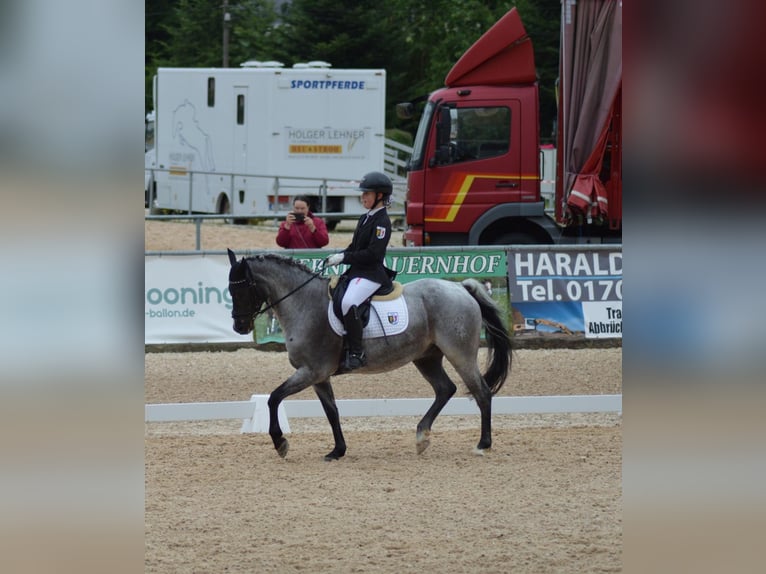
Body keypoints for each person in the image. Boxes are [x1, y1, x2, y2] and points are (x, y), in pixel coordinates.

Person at [325, 171, 394, 371]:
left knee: (349, 302)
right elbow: (355, 246)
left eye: (367, 194)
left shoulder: (382, 222)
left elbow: (373, 254)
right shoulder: (365, 217)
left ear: (380, 196)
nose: (362, 197)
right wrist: (338, 256)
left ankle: (357, 352)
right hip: (358, 271)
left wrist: (345, 258)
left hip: (371, 273)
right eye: (363, 194)